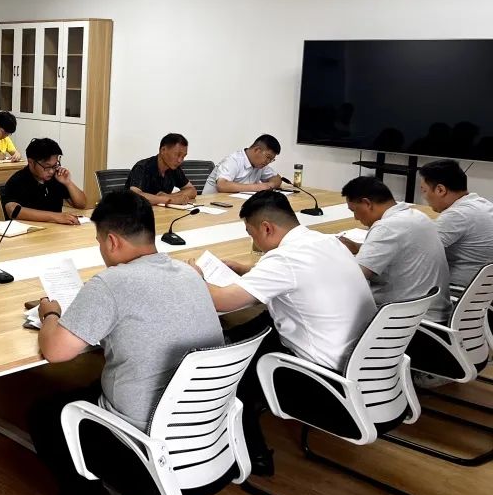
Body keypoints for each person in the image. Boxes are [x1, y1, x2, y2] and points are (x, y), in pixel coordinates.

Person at [28, 192, 224, 495]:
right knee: (103, 385)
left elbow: (55, 351)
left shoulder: (111, 283)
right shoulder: (189, 273)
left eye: (99, 243)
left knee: (45, 415)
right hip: (207, 446)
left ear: (112, 241)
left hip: (149, 458)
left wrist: (50, 314)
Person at [198, 190, 376, 475]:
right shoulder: (327, 241)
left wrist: (195, 276)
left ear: (266, 228)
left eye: (251, 234)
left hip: (322, 380)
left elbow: (221, 302)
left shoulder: (285, 260)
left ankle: (253, 456)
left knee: (228, 372)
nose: (254, 242)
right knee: (263, 321)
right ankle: (227, 343)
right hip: (359, 365)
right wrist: (247, 270)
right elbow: (296, 277)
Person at [339, 176, 451, 323]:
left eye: (354, 210)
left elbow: (354, 276)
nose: (355, 217)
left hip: (409, 324)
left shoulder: (386, 227)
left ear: (367, 203)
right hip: (433, 314)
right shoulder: (417, 216)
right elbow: (401, 251)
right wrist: (358, 247)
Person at [418, 159, 493, 289]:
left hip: (457, 290)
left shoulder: (458, 215)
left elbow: (418, 254)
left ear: (440, 190)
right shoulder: (483, 204)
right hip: (482, 292)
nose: (424, 197)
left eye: (424, 190)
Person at [2, 137, 87, 224]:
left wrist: (68, 183)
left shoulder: (56, 178)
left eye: (55, 165)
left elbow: (82, 204)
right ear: (31, 162)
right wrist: (56, 217)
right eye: (47, 167)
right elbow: (14, 211)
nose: (51, 171)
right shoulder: (18, 180)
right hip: (29, 230)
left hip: (55, 229)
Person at [126, 132, 197, 206]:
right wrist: (170, 200)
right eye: (177, 155)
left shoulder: (174, 168)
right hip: (135, 211)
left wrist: (169, 197)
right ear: (163, 150)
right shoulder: (142, 167)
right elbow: (135, 196)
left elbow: (192, 190)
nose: (180, 160)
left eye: (183, 156)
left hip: (160, 211)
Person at [203, 134, 283, 194]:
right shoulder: (234, 160)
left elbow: (277, 179)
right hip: (211, 204)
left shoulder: (261, 165)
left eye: (271, 160)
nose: (268, 162)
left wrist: (270, 185)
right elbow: (222, 185)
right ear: (257, 150)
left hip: (235, 203)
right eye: (268, 157)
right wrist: (258, 187)